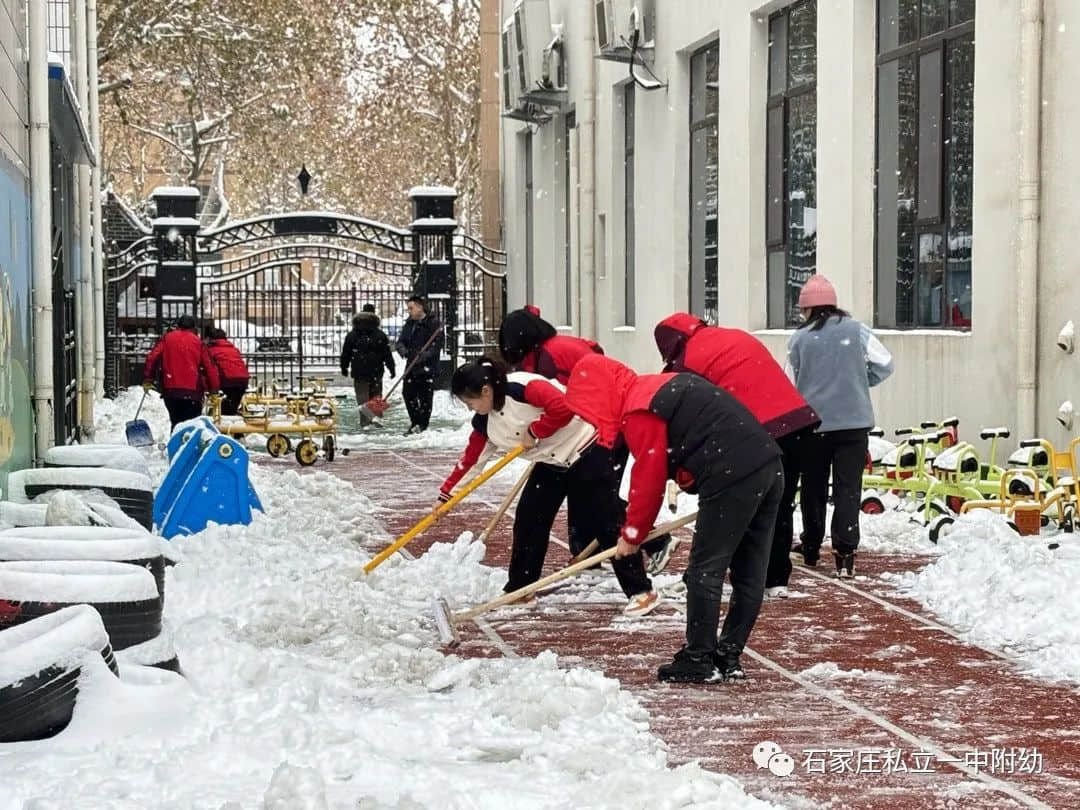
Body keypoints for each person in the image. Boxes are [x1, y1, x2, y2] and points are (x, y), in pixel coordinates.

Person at [565, 354, 783, 684]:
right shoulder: (656, 386)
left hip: (731, 473)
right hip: (768, 464)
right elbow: (697, 435)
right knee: (749, 572)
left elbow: (648, 477)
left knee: (703, 572)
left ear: (599, 394)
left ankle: (699, 658)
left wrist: (633, 533)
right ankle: (728, 655)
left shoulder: (640, 408)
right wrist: (687, 474)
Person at [439, 357, 660, 616]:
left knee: (606, 523)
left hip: (585, 450)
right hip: (551, 463)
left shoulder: (522, 388)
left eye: (470, 402)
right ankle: (521, 588)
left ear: (485, 391)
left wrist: (535, 431)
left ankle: (641, 591)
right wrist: (447, 497)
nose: (470, 409)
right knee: (529, 520)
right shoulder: (484, 421)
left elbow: (563, 407)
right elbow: (471, 461)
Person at [653, 313, 820, 597]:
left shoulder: (687, 363)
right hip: (797, 422)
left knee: (738, 504)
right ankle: (775, 577)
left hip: (758, 432)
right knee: (778, 503)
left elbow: (684, 414)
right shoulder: (734, 335)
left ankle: (723, 574)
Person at [786, 275, 894, 579]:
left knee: (813, 487)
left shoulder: (799, 339)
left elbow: (790, 382)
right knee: (848, 488)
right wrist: (861, 381)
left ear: (806, 309)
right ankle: (845, 552)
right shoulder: (856, 330)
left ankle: (810, 546)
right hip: (854, 423)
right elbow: (885, 363)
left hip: (815, 425)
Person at [144, 314, 220, 429]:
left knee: (176, 423)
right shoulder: (198, 343)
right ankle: (189, 445)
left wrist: (148, 379)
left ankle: (175, 444)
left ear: (178, 326)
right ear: (194, 328)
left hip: (171, 390)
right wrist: (214, 390)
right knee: (192, 426)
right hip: (192, 392)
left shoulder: (167, 338)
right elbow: (210, 367)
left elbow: (152, 358)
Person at [340, 304, 396, 426]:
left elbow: (346, 353)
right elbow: (387, 353)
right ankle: (376, 418)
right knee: (376, 395)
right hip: (376, 370)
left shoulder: (352, 334)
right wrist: (391, 368)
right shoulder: (380, 334)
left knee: (362, 397)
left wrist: (344, 367)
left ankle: (365, 422)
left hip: (359, 371)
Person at [395, 295, 443, 435]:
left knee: (425, 397)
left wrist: (424, 356)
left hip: (427, 367)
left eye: (411, 308)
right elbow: (401, 341)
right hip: (411, 366)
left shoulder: (433, 324)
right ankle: (415, 422)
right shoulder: (409, 324)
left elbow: (436, 346)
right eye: (408, 308)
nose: (409, 311)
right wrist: (403, 351)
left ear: (420, 307)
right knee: (408, 394)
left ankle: (422, 425)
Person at [205, 328, 250, 417]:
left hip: (227, 379)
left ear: (211, 339)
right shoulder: (233, 348)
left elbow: (210, 368)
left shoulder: (210, 350)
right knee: (232, 404)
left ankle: (227, 423)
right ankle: (232, 421)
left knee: (227, 406)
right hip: (243, 379)